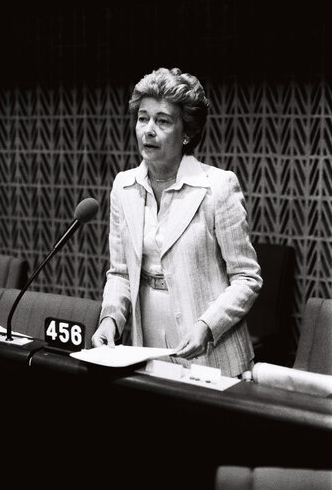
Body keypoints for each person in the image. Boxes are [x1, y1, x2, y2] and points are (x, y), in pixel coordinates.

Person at [91, 67, 263, 377]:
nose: (149, 130)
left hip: (213, 351)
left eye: (163, 121)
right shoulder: (124, 186)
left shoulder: (218, 187)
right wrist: (110, 320)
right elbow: (119, 273)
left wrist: (207, 326)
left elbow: (247, 279)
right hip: (148, 344)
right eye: (143, 118)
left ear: (187, 133)